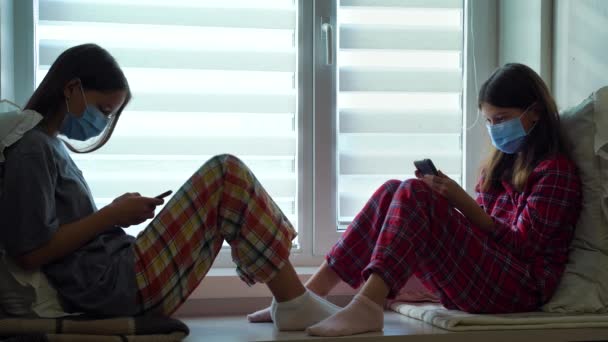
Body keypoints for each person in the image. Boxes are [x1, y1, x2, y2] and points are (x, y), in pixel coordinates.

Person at [0, 44, 342, 331]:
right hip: (112, 286)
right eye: (103, 109)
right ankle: (293, 301)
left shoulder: (50, 146)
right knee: (226, 174)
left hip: (116, 274)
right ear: (72, 89)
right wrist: (109, 216)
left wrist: (116, 215)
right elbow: (30, 251)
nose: (102, 122)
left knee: (226, 177)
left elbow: (68, 232)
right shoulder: (32, 147)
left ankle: (293, 300)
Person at [248, 63, 583, 337]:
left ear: (534, 112)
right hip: (490, 275)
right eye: (490, 121)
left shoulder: (555, 173)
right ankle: (306, 296)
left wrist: (460, 203)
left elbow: (522, 246)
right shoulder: (499, 167)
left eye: (503, 119)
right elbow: (483, 236)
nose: (495, 129)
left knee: (415, 192)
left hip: (520, 289)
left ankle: (367, 307)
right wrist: (453, 204)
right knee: (395, 189)